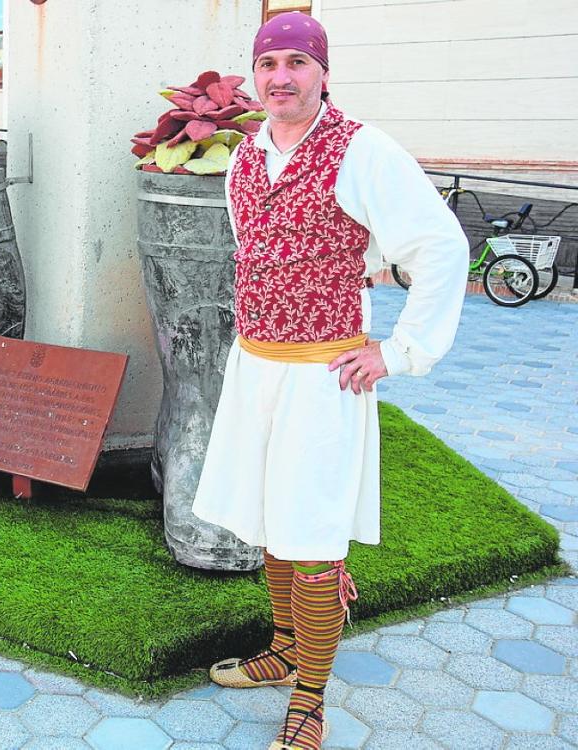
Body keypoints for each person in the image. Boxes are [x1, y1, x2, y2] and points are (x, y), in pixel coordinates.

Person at [191, 12, 468, 750]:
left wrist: (401, 350)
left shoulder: (363, 149)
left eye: (295, 63)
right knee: (271, 522)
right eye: (268, 63)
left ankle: (310, 702)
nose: (279, 77)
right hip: (256, 366)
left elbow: (441, 245)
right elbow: (261, 249)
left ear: (322, 72)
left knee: (311, 534)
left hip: (325, 377)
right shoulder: (246, 154)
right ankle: (284, 650)